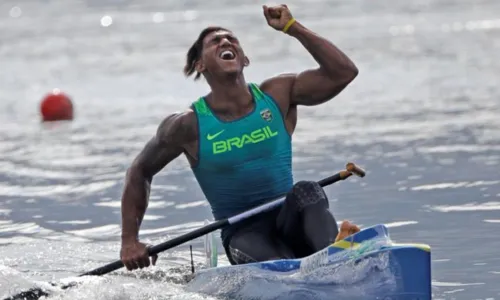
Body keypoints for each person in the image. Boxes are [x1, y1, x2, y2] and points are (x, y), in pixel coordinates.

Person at [119, 4, 360, 271]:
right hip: (243, 232)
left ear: (244, 59)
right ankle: (315, 264)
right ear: (200, 64)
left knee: (307, 189)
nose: (225, 41)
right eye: (214, 41)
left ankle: (333, 255)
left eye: (232, 39)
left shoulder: (278, 95)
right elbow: (140, 170)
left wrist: (293, 27)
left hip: (289, 219)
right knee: (281, 266)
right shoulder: (188, 125)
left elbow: (343, 73)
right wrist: (130, 241)